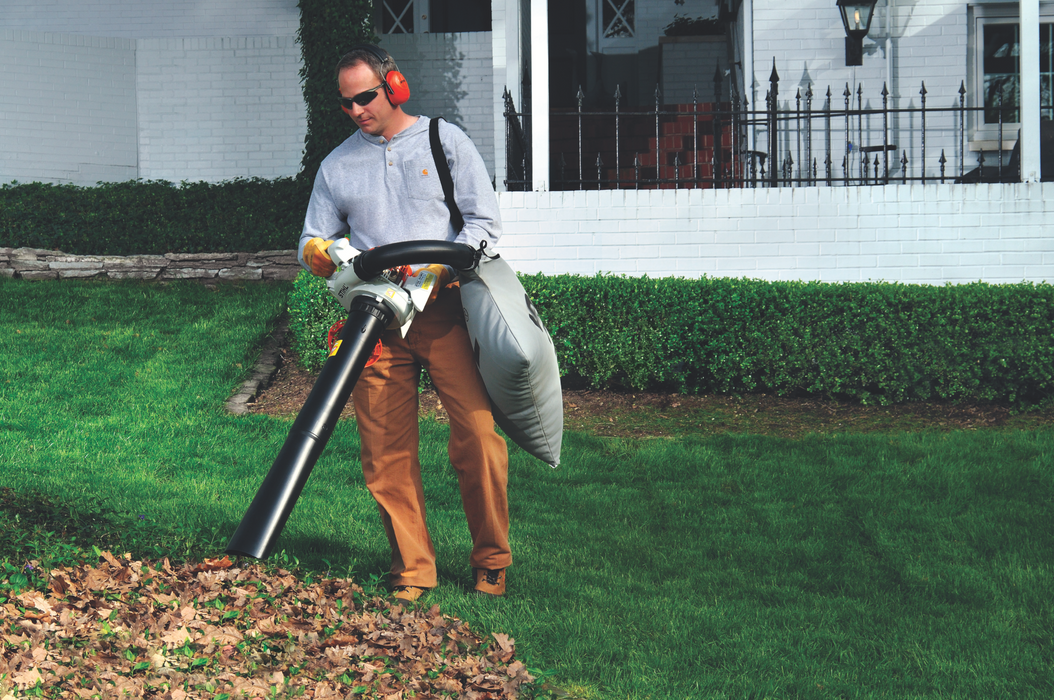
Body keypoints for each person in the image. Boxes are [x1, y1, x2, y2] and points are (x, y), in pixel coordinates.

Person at [296, 45, 510, 602]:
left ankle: (491, 559)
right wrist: (317, 252)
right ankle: (413, 568)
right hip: (375, 318)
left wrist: (442, 264)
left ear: (394, 85)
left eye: (366, 97)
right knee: (386, 450)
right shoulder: (337, 165)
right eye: (346, 104)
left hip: (444, 312)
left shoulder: (445, 141)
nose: (358, 110)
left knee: (479, 436)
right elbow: (311, 236)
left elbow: (484, 222)